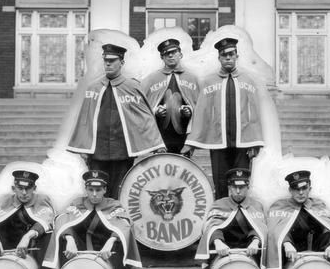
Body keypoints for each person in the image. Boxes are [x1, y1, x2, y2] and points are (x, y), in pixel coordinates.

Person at [66, 43, 166, 199]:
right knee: (97, 191)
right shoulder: (94, 88)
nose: (108, 64)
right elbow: (85, 120)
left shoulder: (132, 87)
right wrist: (84, 149)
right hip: (97, 152)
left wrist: (156, 143)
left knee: (120, 192)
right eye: (106, 60)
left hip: (123, 151)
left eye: (112, 61)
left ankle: (118, 221)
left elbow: (145, 117)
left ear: (122, 62)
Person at [181, 38, 264, 199]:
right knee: (220, 181)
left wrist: (255, 142)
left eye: (231, 54)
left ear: (236, 56)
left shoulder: (247, 81)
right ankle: (221, 215)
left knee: (241, 181)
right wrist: (191, 142)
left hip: (243, 142)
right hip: (218, 141)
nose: (228, 58)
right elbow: (201, 112)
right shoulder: (209, 81)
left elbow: (254, 113)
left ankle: (240, 218)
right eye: (224, 55)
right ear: (219, 58)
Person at [43, 170, 141, 269]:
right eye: (91, 189)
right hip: (81, 247)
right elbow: (61, 220)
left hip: (106, 250)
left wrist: (111, 240)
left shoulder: (113, 205)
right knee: (62, 236)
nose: (94, 194)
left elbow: (124, 224)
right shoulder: (78, 203)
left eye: (98, 190)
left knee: (120, 240)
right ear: (86, 189)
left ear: (105, 189)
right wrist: (70, 239)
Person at [263, 170, 330, 269]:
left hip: (315, 246)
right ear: (290, 190)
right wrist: (287, 243)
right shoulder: (280, 206)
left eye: (304, 188)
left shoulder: (317, 204)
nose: (301, 192)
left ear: (310, 188)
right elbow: (275, 230)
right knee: (281, 243)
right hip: (293, 248)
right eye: (296, 189)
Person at [195, 168, 267, 269]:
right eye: (234, 187)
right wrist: (217, 241)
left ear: (248, 187)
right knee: (218, 266)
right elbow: (212, 225)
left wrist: (255, 240)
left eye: (242, 187)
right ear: (229, 187)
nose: (238, 191)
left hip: (248, 247)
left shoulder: (256, 205)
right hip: (224, 247)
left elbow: (260, 227)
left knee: (251, 266)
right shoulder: (219, 204)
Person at [141, 38, 200, 154]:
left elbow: (201, 107)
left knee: (183, 169)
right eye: (166, 53)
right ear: (161, 57)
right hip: (160, 138)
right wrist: (155, 110)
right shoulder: (151, 79)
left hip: (184, 138)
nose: (170, 56)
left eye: (174, 52)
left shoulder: (192, 78)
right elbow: (142, 107)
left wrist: (190, 111)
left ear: (181, 54)